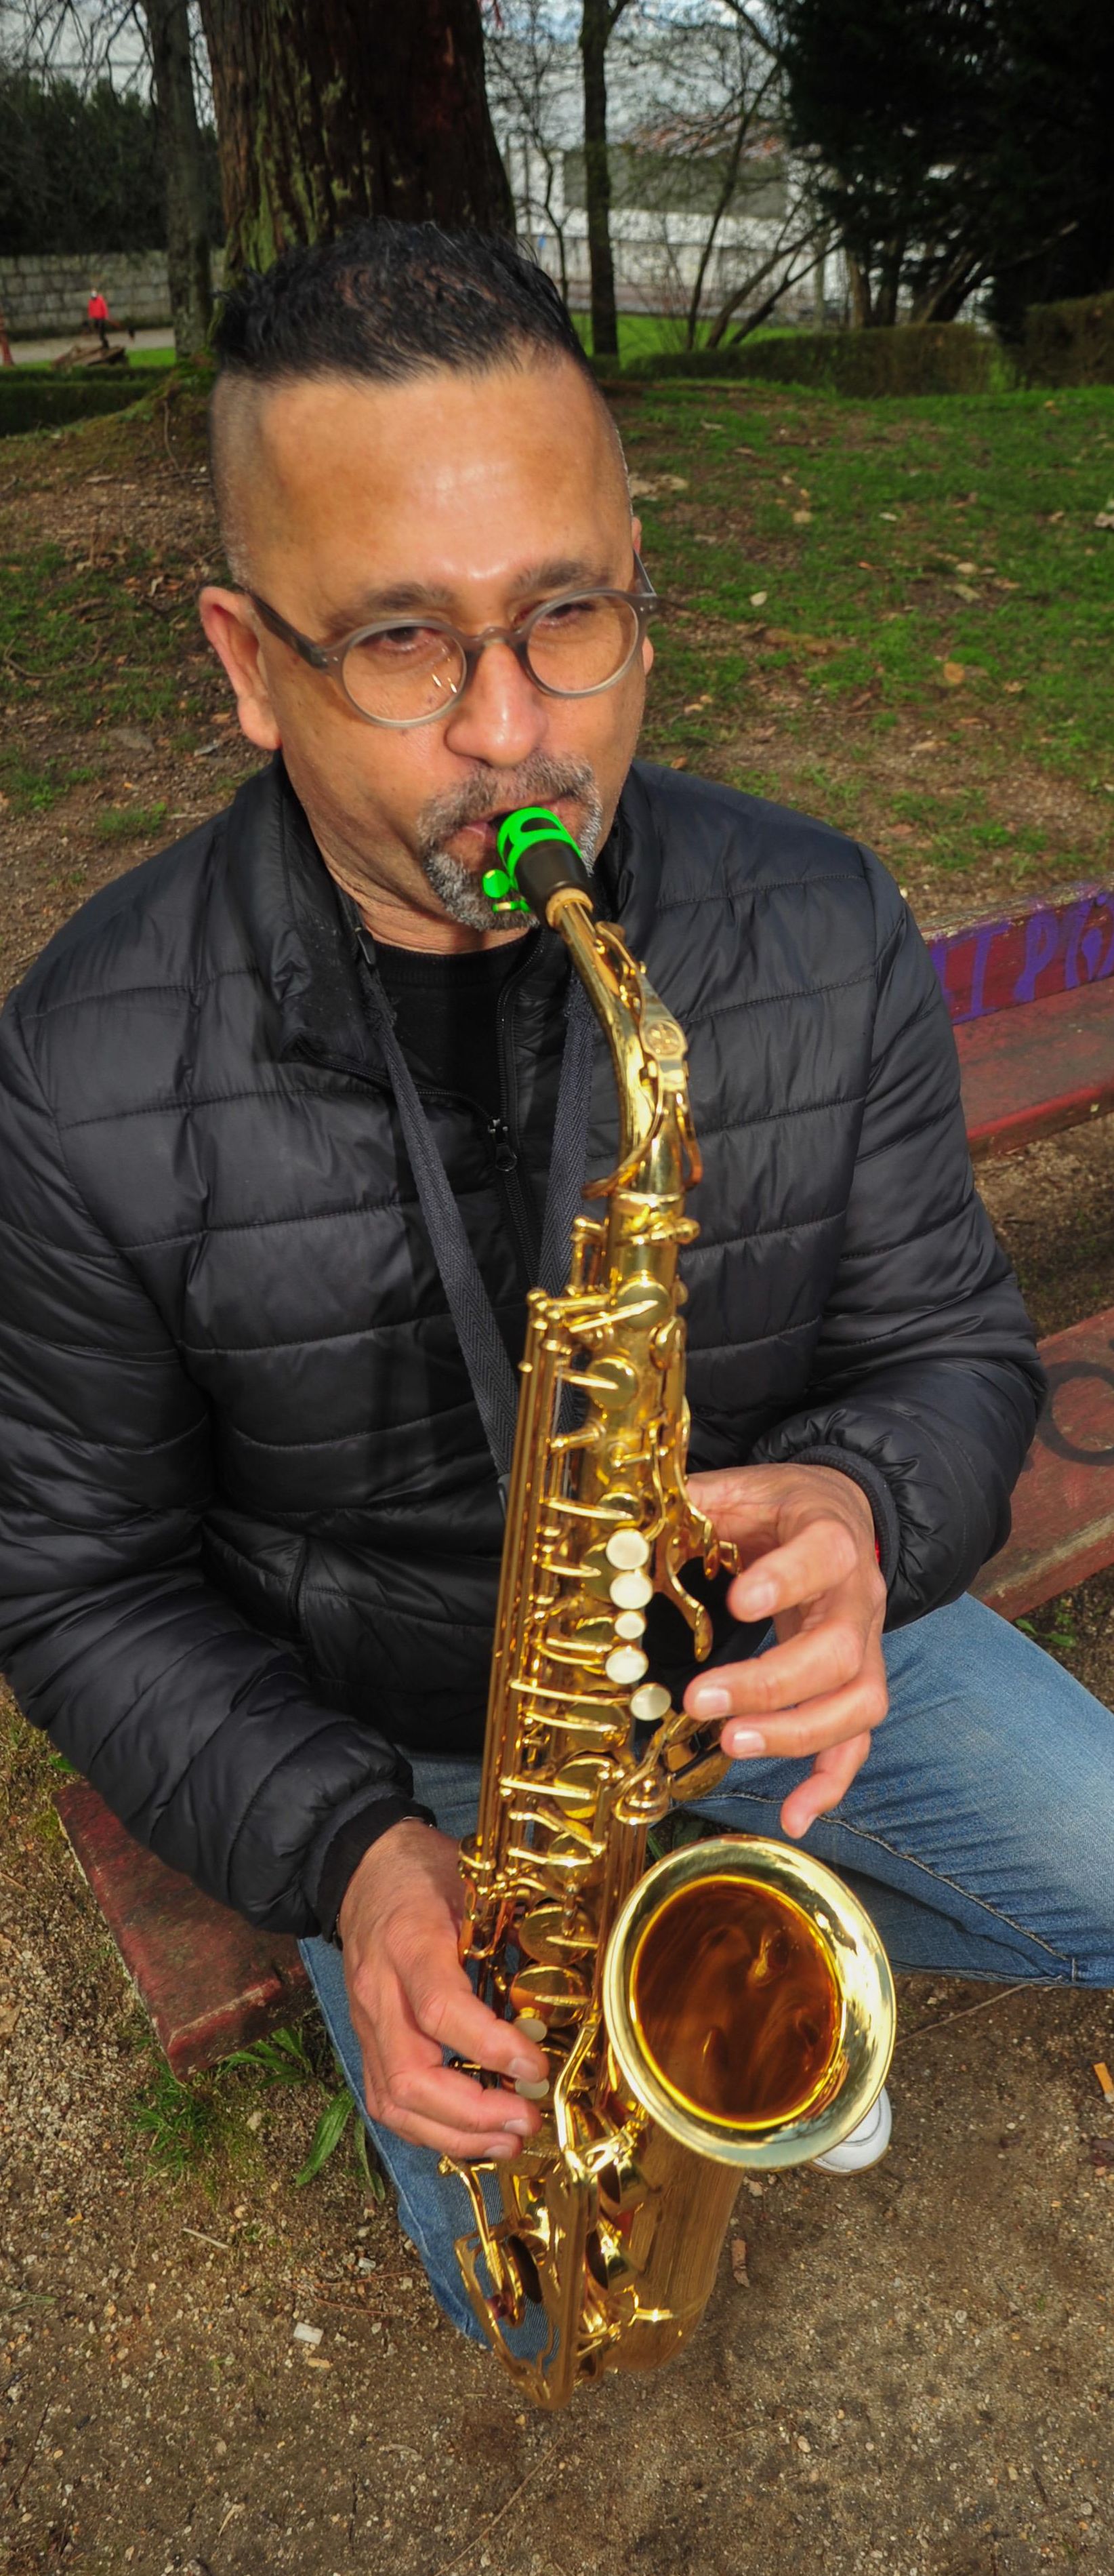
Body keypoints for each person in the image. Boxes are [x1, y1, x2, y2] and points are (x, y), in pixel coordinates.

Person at [1, 224, 1113, 2349]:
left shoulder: (813, 913)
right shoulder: (81, 1068)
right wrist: (351, 1866)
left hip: (741, 1671)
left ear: (633, 582)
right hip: (396, 1746)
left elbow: (950, 1352)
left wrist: (875, 1512)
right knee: (534, 2314)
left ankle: (693, 1942)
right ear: (243, 662)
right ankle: (522, 1966)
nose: (517, 739)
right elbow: (70, 1580)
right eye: (400, 642)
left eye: (565, 617)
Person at [87, 286, 111, 350]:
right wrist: (90, 316)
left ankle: (106, 344)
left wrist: (106, 316)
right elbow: (90, 309)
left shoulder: (101, 300)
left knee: (101, 332)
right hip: (96, 318)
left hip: (101, 318)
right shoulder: (91, 301)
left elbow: (105, 308)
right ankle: (103, 342)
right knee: (97, 328)